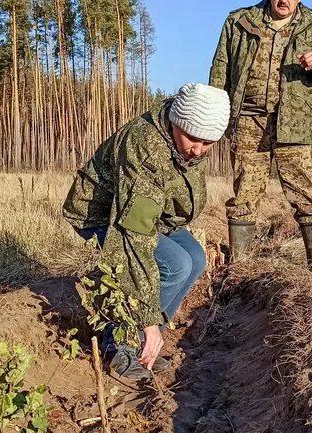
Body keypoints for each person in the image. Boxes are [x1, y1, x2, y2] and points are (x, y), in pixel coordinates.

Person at [63, 83, 230, 380]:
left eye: (208, 143)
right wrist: (148, 320)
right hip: (101, 214)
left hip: (153, 218)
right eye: (193, 139)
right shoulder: (144, 145)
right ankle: (120, 347)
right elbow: (132, 236)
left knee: (195, 257)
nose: (198, 150)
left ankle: (144, 345)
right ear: (177, 122)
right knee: (175, 266)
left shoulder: (188, 140)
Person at [210, 0, 312, 270]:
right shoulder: (239, 22)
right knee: (244, 193)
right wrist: (214, 114)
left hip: (295, 126)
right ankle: (240, 266)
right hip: (248, 120)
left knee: (305, 194)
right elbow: (220, 70)